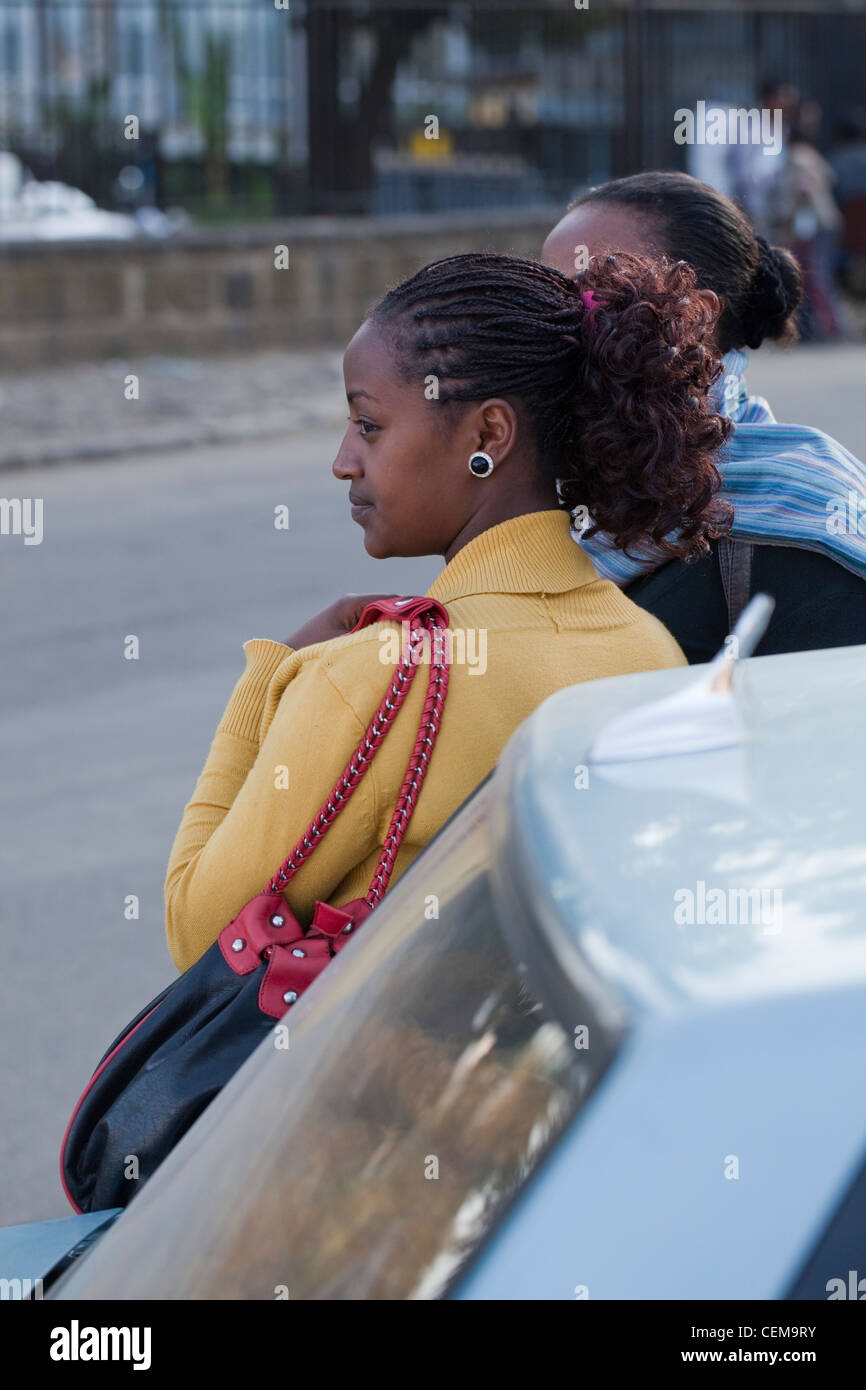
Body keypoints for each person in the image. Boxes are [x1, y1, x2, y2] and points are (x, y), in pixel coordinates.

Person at [165, 250, 731, 971]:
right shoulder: (647, 650)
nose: (343, 461)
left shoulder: (373, 675)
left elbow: (198, 934)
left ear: (488, 438)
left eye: (369, 425)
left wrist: (268, 680)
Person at [542, 171, 866, 662]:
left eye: (588, 298)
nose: (554, 328)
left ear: (697, 314)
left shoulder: (805, 517)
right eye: (545, 299)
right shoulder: (543, 480)